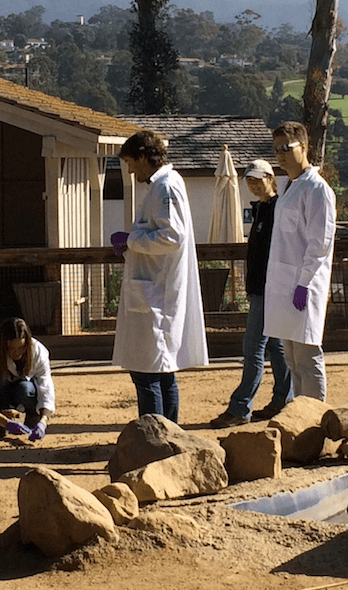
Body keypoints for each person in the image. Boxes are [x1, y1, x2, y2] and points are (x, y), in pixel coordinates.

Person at [110, 129, 208, 423]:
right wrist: (133, 240)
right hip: (154, 287)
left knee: (147, 373)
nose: (129, 169)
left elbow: (171, 236)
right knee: (162, 372)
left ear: (143, 157)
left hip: (156, 292)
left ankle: (154, 435)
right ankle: (169, 432)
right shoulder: (161, 185)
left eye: (130, 162)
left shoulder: (165, 187)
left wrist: (131, 240)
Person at [209, 159, 294, 428]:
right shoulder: (261, 210)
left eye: (258, 179)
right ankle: (283, 400)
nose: (253, 184)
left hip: (270, 289)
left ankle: (240, 407)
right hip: (262, 289)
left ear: (270, 178)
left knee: (254, 348)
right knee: (276, 348)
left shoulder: (276, 209)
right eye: (249, 180)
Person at [263, 122, 336, 401]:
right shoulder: (286, 187)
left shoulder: (317, 189)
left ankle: (315, 416)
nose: (280, 155)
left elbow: (320, 243)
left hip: (304, 285)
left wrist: (304, 283)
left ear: (303, 147)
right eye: (276, 149)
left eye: (287, 148)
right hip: (283, 283)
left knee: (307, 355)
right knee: (291, 358)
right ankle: (299, 412)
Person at [0, 317, 55, 440]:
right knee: (0, 381)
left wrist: (43, 421)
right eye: (11, 348)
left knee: (25, 388)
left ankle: (33, 416)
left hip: (24, 391)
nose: (17, 353)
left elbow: (45, 386)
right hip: (1, 391)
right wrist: (6, 423)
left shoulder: (38, 351)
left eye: (21, 348)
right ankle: (1, 418)